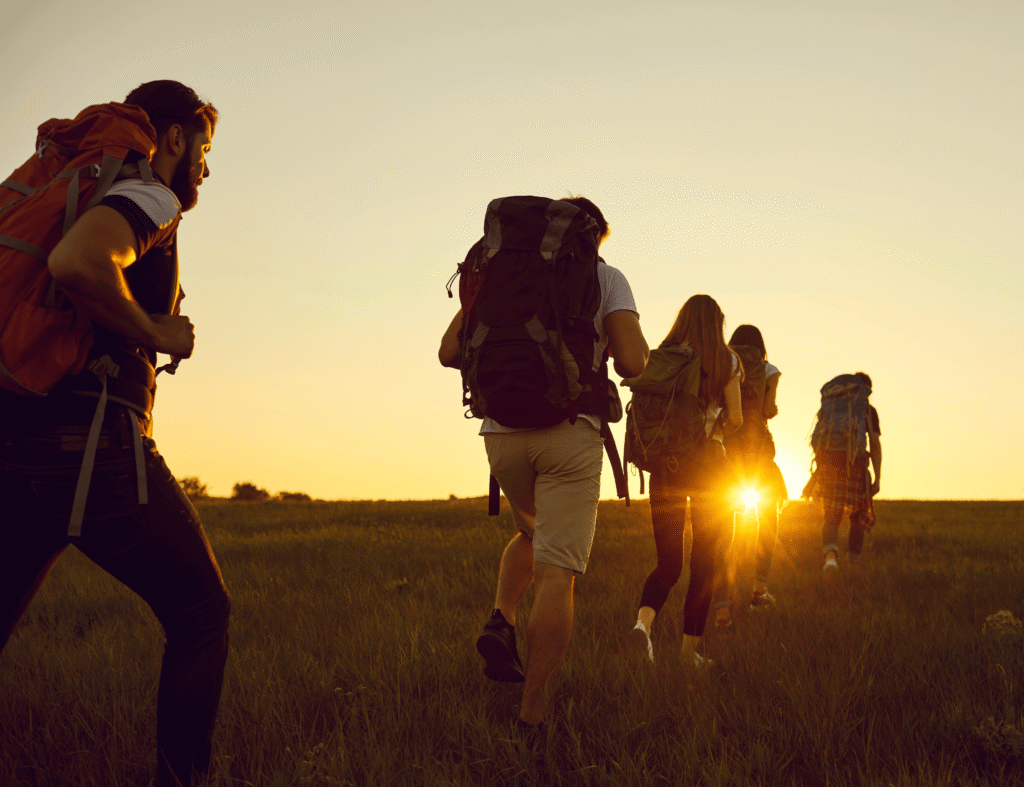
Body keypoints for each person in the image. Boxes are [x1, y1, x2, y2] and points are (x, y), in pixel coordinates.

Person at [0, 81, 230, 787]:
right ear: (173, 136)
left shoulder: (68, 182)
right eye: (205, 148)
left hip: (14, 438)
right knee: (202, 613)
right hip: (89, 443)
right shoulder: (147, 191)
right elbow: (77, 263)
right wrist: (156, 328)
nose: (206, 169)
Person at [439, 196, 649, 729]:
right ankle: (531, 718)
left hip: (501, 435)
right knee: (558, 573)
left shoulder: (506, 271)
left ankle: (501, 619)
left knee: (532, 534)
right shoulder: (607, 278)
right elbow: (630, 359)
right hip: (570, 432)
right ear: (594, 236)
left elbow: (448, 350)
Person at [627, 294, 741, 667]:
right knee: (704, 562)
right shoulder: (727, 361)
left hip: (665, 467)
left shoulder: (665, 356)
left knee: (669, 563)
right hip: (709, 469)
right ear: (716, 324)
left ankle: (643, 629)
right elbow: (737, 418)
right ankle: (687, 653)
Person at [720, 324, 788, 611]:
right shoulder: (768, 369)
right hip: (758, 451)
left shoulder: (724, 362)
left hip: (726, 450)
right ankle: (759, 592)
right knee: (768, 523)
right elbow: (768, 410)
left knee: (722, 529)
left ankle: (721, 608)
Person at [812, 372, 882, 570]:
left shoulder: (830, 406)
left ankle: (830, 558)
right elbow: (875, 445)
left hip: (829, 463)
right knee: (858, 515)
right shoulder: (868, 410)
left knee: (831, 513)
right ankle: (853, 563)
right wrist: (877, 477)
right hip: (855, 465)